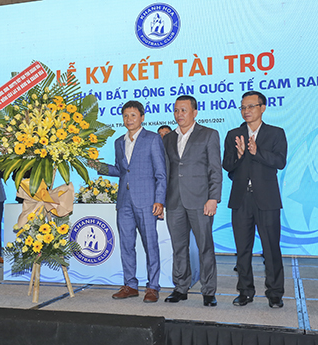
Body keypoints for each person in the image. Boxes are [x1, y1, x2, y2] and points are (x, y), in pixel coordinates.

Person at [96, 100, 166, 303]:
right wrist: (99, 167)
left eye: (133, 115)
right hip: (124, 202)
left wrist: (159, 200)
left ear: (142, 117)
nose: (129, 119)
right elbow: (121, 170)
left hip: (147, 201)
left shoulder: (153, 139)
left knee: (150, 245)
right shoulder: (118, 141)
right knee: (126, 245)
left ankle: (152, 287)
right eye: (125, 116)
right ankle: (130, 285)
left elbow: (161, 173)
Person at [223, 91, 287, 308]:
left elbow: (280, 161)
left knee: (271, 248)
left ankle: (275, 293)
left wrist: (257, 151)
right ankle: (245, 291)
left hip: (267, 199)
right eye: (243, 107)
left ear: (263, 108)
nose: (246, 111)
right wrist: (240, 156)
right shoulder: (233, 134)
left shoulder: (276, 133)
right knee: (242, 249)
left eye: (251, 106)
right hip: (241, 199)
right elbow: (227, 166)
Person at [162, 95, 222, 307]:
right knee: (179, 247)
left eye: (184, 110)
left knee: (205, 246)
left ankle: (208, 291)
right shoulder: (168, 139)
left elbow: (215, 169)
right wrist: (161, 200)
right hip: (174, 201)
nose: (179, 114)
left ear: (195, 112)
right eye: (176, 110)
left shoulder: (209, 134)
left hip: (200, 201)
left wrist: (213, 198)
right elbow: (166, 172)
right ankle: (180, 287)